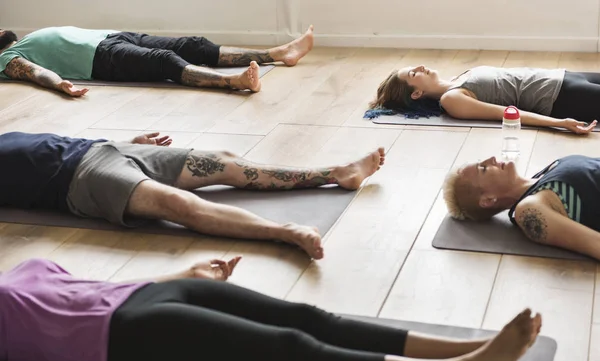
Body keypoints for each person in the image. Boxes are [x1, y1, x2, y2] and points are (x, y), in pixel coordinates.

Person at [0, 256, 542, 361]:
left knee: (308, 317)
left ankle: (463, 349)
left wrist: (183, 274)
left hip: (147, 295)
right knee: (292, 349)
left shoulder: (22, 268)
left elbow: (85, 288)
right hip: (122, 345)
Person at [0, 130, 386, 259]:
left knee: (226, 162)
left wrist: (127, 141)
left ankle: (337, 173)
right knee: (179, 206)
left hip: (105, 148)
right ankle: (285, 231)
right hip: (82, 179)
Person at [0, 25, 315, 95]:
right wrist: (60, 85)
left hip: (111, 37)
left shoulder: (21, 39)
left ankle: (277, 54)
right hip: (99, 59)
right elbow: (32, 72)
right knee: (164, 60)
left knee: (192, 44)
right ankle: (234, 81)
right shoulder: (7, 58)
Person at [443, 154, 600, 260]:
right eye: (483, 169)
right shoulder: (529, 208)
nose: (491, 158)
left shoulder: (543, 175)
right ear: (488, 199)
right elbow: (594, 244)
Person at [367, 64, 600, 135]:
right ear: (416, 93)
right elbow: (509, 114)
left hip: (564, 76)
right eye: (413, 74)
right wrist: (560, 123)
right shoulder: (452, 99)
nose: (419, 67)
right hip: (560, 97)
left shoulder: (459, 77)